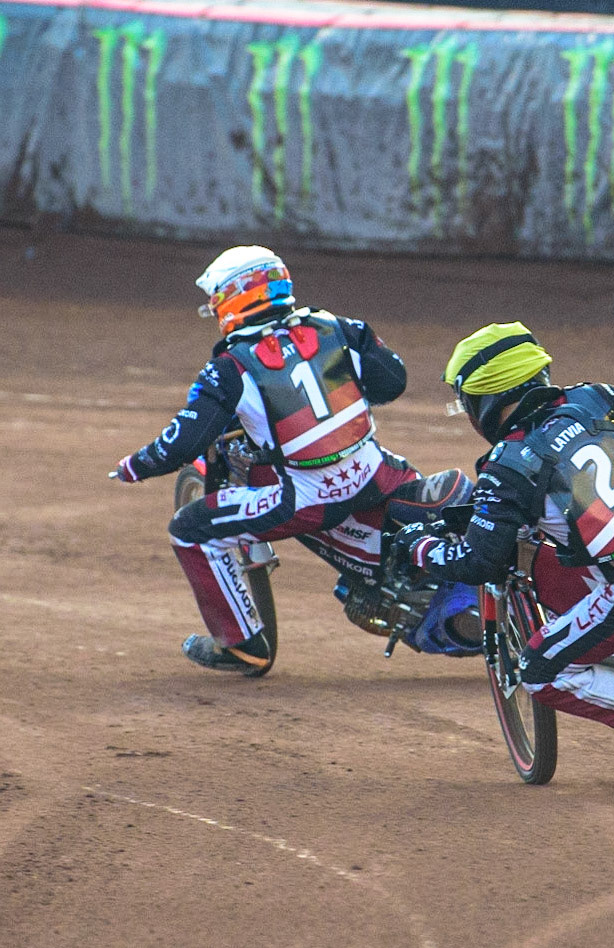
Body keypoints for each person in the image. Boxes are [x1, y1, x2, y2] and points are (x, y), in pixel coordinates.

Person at [391, 322, 614, 783]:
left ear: (486, 400)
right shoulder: (591, 398)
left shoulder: (507, 466)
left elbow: (481, 562)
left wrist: (421, 549)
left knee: (541, 672)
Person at [112, 246, 416, 675]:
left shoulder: (230, 367)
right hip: (377, 472)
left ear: (233, 300)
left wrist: (135, 465)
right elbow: (392, 382)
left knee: (189, 530)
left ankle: (242, 645)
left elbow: (183, 444)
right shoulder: (336, 326)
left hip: (306, 500)